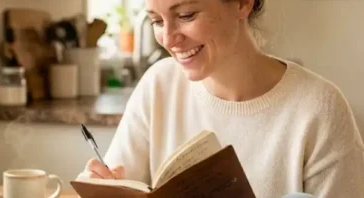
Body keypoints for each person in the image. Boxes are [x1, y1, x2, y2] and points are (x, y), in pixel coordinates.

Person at [77, 0, 364, 197]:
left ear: (242, 3)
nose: (168, 37)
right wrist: (101, 185)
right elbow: (118, 182)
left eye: (186, 15)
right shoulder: (159, 84)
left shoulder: (320, 109)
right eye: (155, 20)